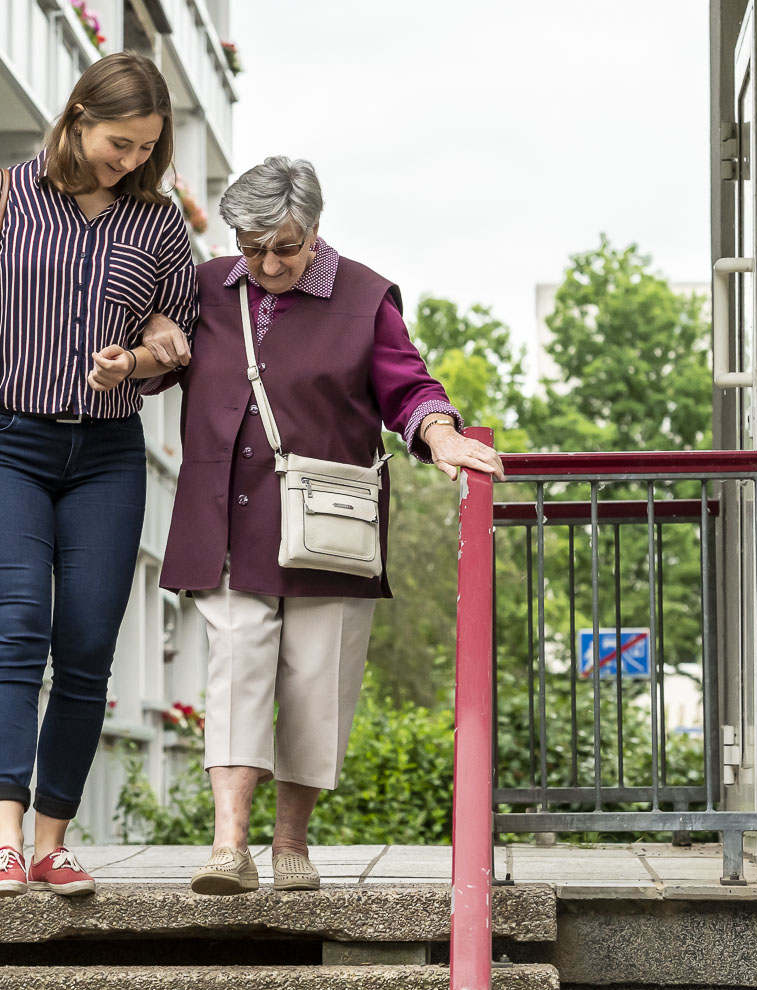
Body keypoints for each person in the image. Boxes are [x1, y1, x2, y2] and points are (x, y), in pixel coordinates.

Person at [133, 156, 504, 893]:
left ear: (316, 230)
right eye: (252, 245)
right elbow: (157, 365)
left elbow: (409, 386)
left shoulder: (365, 297)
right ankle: (228, 847)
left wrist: (439, 435)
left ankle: (292, 844)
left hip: (327, 524)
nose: (268, 262)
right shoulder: (207, 287)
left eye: (286, 246)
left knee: (315, 681)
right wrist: (138, 341)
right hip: (228, 519)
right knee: (235, 664)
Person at [0, 52, 197, 899]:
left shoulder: (159, 226)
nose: (133, 160)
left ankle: (52, 842)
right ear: (77, 117)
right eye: (120, 141)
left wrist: (137, 358)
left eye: (147, 147)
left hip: (107, 453)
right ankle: (3, 840)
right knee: (18, 630)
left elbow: (177, 346)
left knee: (87, 651)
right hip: (2, 442)